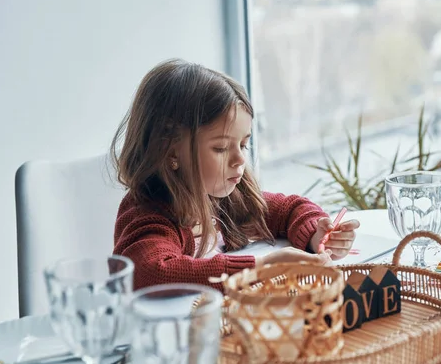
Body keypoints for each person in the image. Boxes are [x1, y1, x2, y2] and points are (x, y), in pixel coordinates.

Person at [111, 59, 360, 290]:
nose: (240, 159)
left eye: (243, 145)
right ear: (168, 150)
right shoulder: (146, 214)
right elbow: (151, 273)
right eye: (220, 148)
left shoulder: (225, 200)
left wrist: (316, 233)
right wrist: (262, 269)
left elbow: (288, 209)